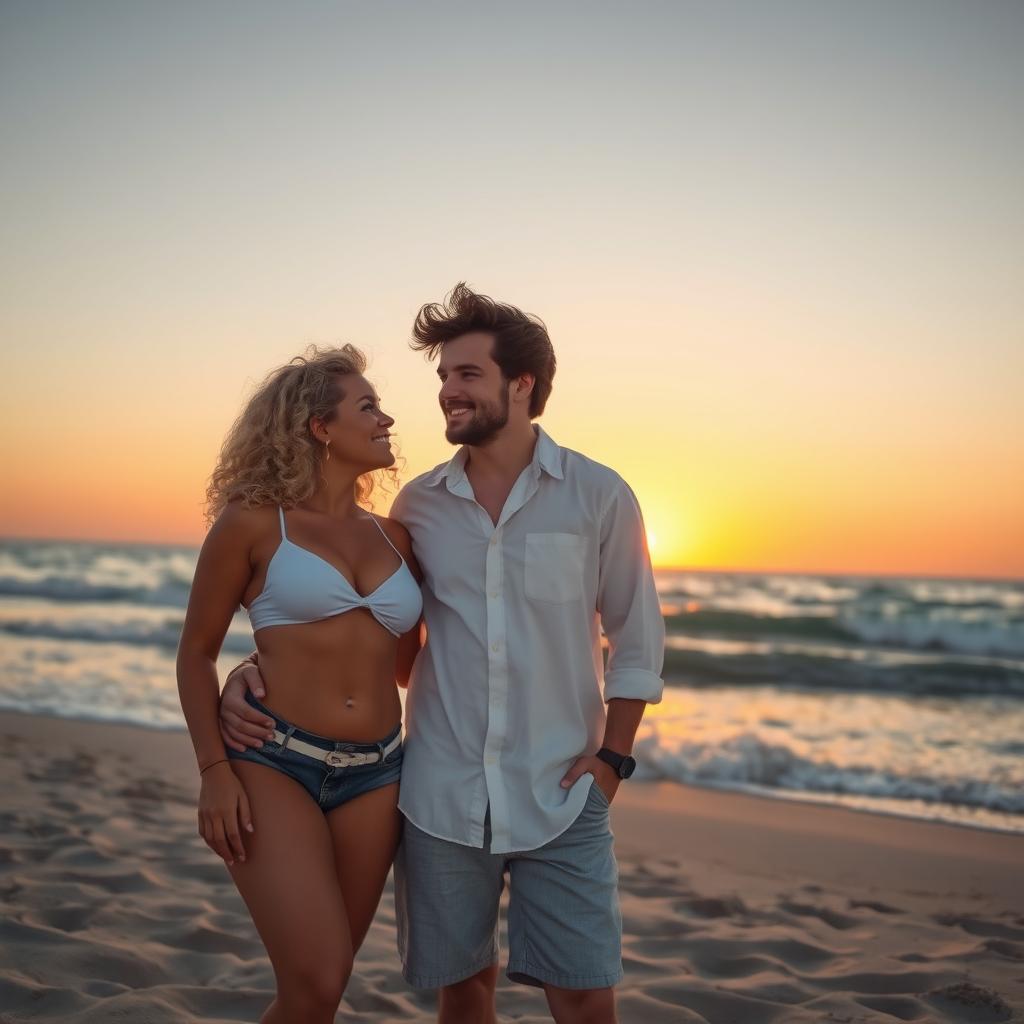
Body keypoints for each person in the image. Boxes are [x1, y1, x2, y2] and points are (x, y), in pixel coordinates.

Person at [220, 284, 665, 1024]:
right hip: (440, 795)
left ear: (521, 385)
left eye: (467, 374)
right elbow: (373, 635)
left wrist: (612, 762)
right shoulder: (418, 507)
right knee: (462, 990)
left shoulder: (599, 495)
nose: (447, 392)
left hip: (563, 788)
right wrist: (252, 670)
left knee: (587, 995)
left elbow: (638, 638)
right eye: (443, 376)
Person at [176, 345, 422, 1024]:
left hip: (379, 772)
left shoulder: (398, 537)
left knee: (323, 988)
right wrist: (214, 771)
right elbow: (195, 653)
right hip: (273, 763)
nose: (386, 419)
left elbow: (408, 668)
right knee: (315, 978)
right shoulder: (252, 523)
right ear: (320, 427)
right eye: (368, 407)